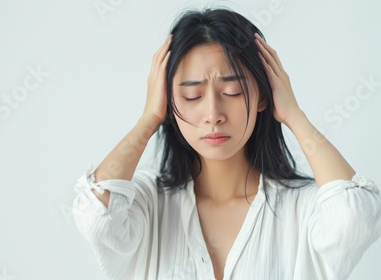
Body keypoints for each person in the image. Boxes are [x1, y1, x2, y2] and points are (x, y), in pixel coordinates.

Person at [72, 7, 381, 280]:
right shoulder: (147, 206)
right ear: (168, 101)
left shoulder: (302, 208)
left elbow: (354, 219)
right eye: (192, 96)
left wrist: (293, 114)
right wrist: (149, 119)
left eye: (232, 91)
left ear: (262, 95)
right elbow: (97, 218)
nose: (213, 115)